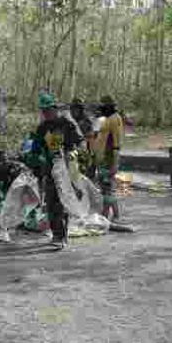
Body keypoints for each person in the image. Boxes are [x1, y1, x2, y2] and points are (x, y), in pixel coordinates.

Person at [30, 92, 84, 250]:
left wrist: (74, 154)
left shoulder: (67, 123)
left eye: (48, 110)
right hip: (50, 167)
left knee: (62, 200)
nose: (45, 113)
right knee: (51, 201)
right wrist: (36, 160)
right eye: (43, 111)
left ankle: (62, 235)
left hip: (66, 167)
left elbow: (81, 142)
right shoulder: (43, 127)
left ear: (55, 108)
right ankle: (56, 234)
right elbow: (35, 148)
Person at [93, 95, 125, 221]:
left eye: (103, 107)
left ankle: (113, 215)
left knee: (108, 187)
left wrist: (114, 163)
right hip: (103, 158)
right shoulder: (107, 119)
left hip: (109, 158)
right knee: (105, 188)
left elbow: (116, 143)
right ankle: (107, 214)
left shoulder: (114, 119)